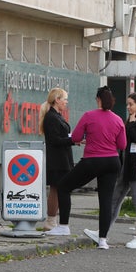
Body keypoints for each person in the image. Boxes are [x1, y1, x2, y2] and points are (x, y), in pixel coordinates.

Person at [47, 86, 126, 251]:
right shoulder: (118, 120)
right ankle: (103, 240)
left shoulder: (89, 116)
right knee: (105, 200)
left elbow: (75, 137)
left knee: (63, 186)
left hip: (92, 161)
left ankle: (63, 226)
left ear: (98, 100)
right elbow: (122, 145)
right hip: (112, 162)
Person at [103, 92, 136, 249]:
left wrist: (131, 123)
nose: (128, 107)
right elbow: (124, 139)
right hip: (127, 166)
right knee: (114, 199)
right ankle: (103, 231)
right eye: (128, 104)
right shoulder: (131, 120)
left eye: (131, 104)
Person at [38, 88, 75, 231]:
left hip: (62, 158)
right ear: (57, 100)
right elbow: (54, 140)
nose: (66, 102)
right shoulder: (52, 118)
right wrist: (72, 140)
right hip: (57, 160)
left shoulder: (57, 116)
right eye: (65, 99)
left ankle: (52, 220)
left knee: (58, 189)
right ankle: (51, 220)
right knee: (57, 189)